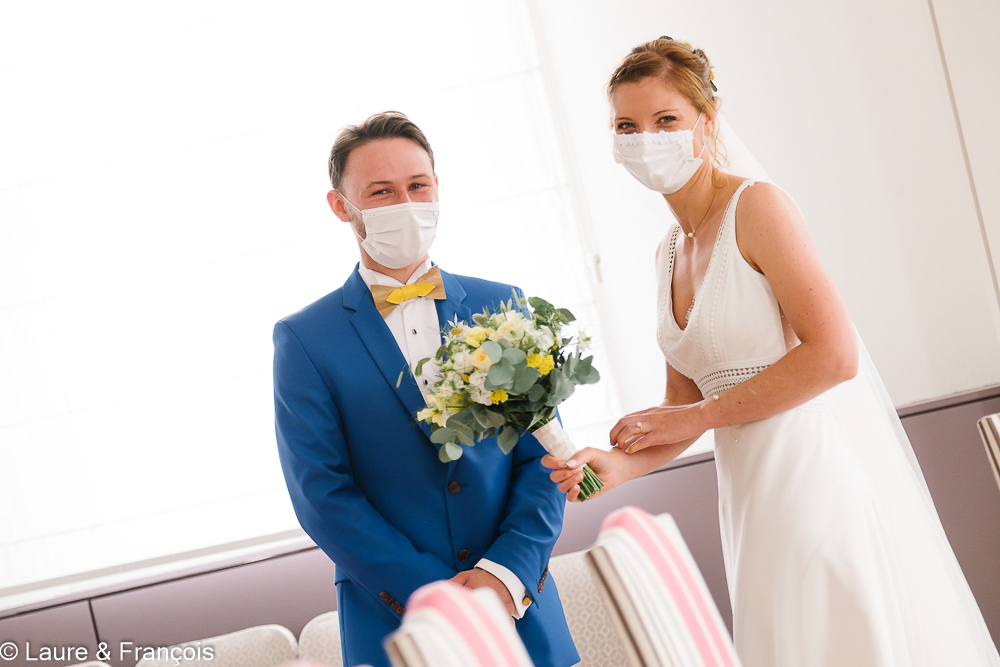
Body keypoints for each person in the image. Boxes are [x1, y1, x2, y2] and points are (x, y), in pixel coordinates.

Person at [545, 38, 1000, 667]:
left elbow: (835, 355)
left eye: (665, 120)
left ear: (706, 123)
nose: (645, 139)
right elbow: (682, 403)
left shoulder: (757, 207)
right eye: (627, 126)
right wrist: (618, 466)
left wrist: (697, 417)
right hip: (747, 497)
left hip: (809, 477)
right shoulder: (667, 252)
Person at [273, 112, 579, 667]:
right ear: (341, 206)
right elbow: (321, 494)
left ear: (438, 188)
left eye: (417, 186)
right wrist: (434, 595)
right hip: (395, 625)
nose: (406, 203)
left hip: (518, 612)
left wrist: (503, 573)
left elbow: (545, 458)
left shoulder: (503, 304)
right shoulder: (305, 339)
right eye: (381, 192)